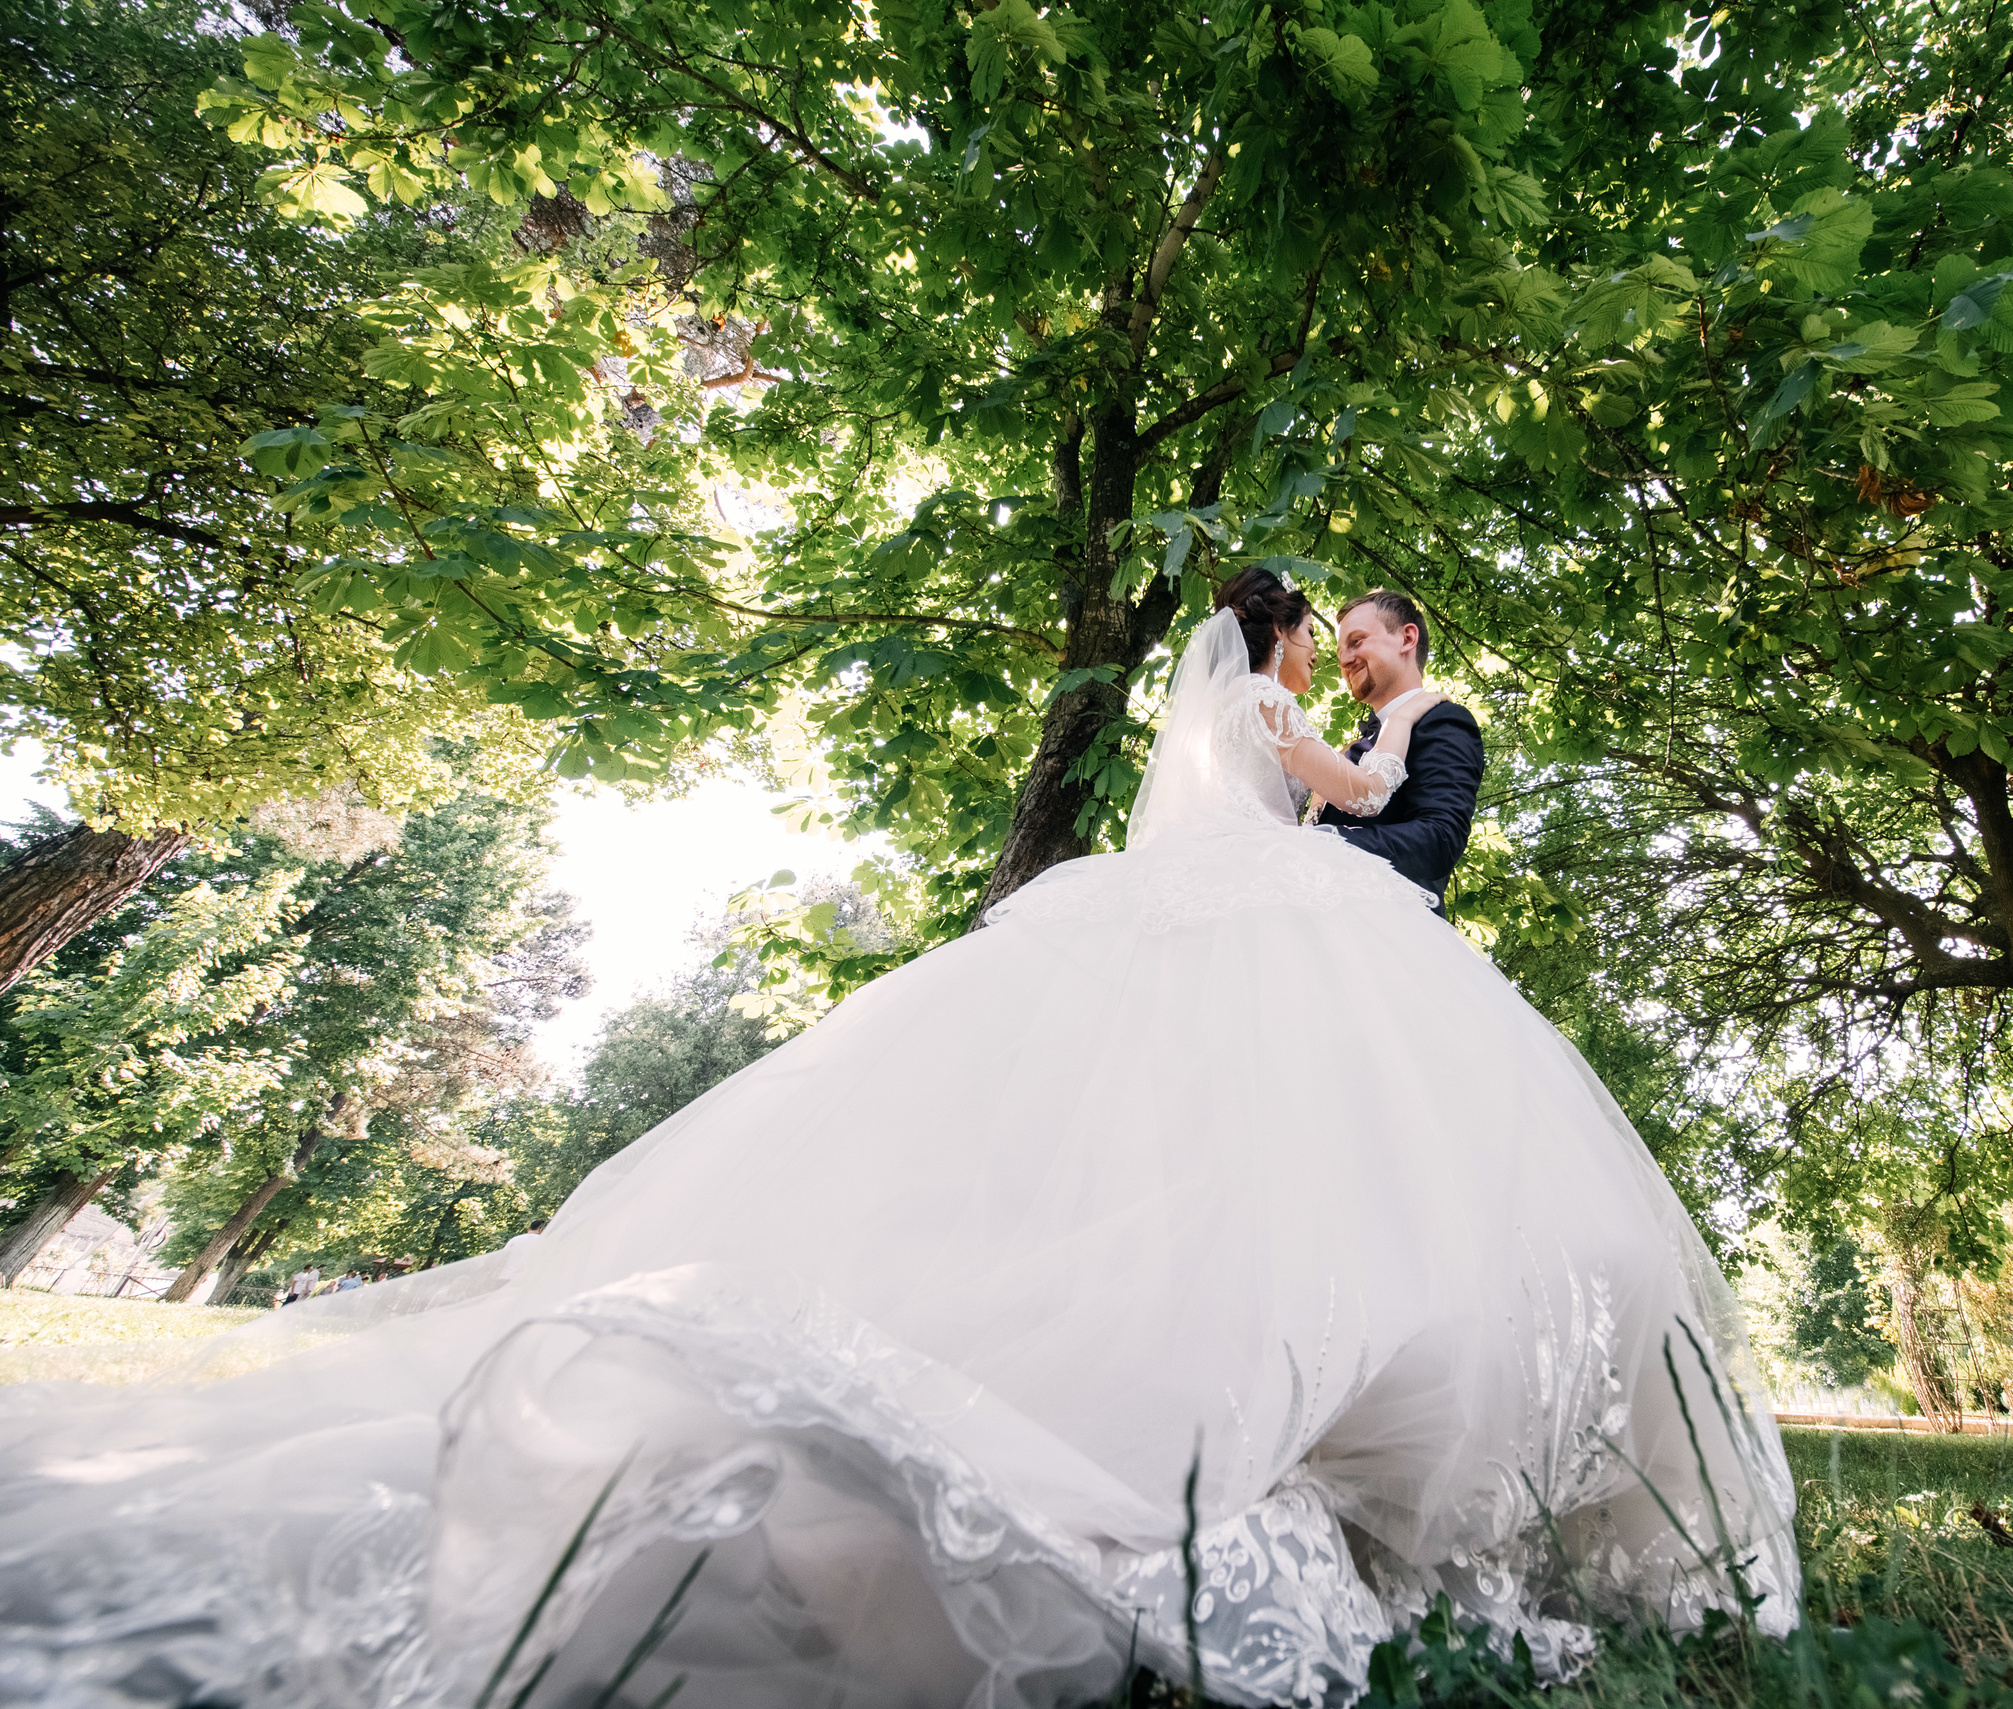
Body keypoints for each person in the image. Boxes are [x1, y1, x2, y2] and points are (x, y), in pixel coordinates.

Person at [0, 567, 1797, 1709]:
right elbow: (1331, 789)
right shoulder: (1291, 713)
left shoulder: (1397, 720)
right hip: (1270, 910)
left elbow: (1398, 820)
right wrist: (1338, 755)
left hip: (1296, 910)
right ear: (1278, 644)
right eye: (1326, 629)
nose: (1345, 647)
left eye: (1368, 634)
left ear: (1402, 646)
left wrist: (1364, 759)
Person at [1315, 589, 1485, 914]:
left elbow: (1439, 839)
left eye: (1357, 641)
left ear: (1407, 638)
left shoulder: (1443, 720)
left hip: (1393, 934)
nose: (1344, 660)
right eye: (1340, 651)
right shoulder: (1356, 747)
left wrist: (1320, 843)